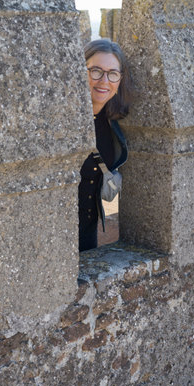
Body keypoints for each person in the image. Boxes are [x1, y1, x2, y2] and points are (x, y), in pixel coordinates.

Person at [79, 39, 133, 252]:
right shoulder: (62, 123)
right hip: (55, 235)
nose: (104, 81)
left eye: (113, 73)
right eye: (95, 71)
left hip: (88, 234)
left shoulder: (111, 122)